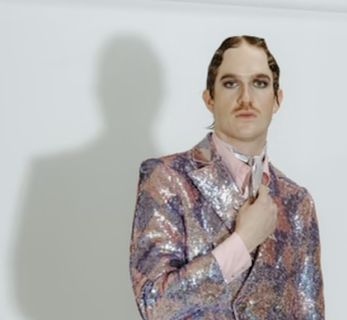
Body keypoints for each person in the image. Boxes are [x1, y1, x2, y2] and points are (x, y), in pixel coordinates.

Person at [129, 35, 324, 320]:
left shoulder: (297, 202)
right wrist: (242, 242)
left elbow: (311, 314)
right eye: (231, 83)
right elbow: (154, 305)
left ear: (277, 100)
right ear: (210, 98)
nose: (246, 98)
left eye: (259, 83)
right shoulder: (167, 178)